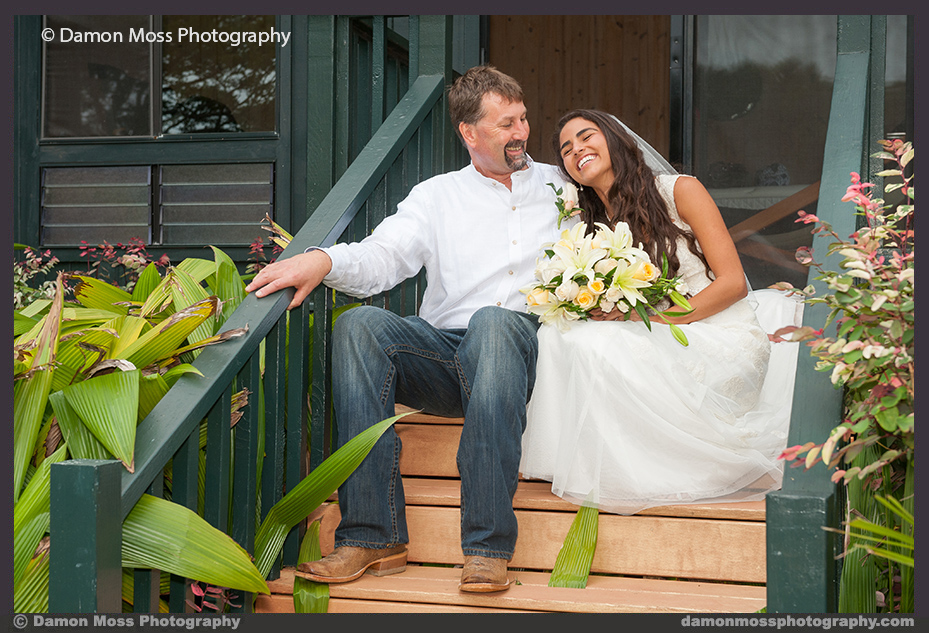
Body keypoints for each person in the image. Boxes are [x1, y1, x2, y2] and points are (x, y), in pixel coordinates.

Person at [245, 66, 566, 592]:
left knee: (494, 322)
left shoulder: (561, 186)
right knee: (360, 325)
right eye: (506, 123)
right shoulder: (436, 196)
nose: (522, 132)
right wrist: (322, 260)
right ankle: (372, 535)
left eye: (523, 119)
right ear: (469, 132)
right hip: (450, 359)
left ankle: (486, 547)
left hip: (527, 353)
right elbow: (384, 255)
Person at [518, 109, 797, 514]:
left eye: (585, 137)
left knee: (603, 346)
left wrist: (653, 320)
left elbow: (733, 283)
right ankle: (586, 464)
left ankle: (637, 468)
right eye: (566, 149)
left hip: (718, 330)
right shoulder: (589, 223)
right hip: (654, 331)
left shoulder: (680, 190)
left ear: (615, 138)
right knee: (560, 334)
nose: (576, 150)